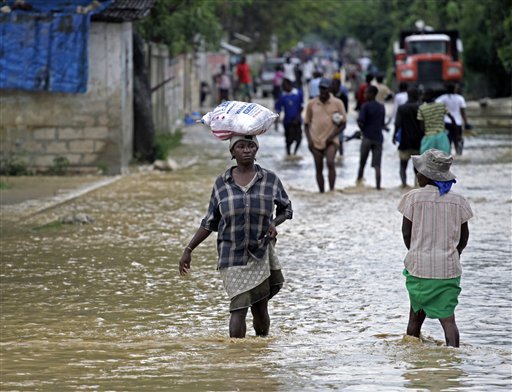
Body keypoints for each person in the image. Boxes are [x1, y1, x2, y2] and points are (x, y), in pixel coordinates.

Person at [179, 135, 293, 339]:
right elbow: (210, 221)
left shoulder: (270, 179)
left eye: (251, 146)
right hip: (231, 254)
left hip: (259, 252)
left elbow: (286, 209)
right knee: (238, 306)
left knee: (260, 307)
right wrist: (189, 250)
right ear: (232, 152)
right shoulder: (222, 183)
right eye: (241, 146)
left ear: (256, 150)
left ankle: (260, 350)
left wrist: (274, 223)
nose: (247, 150)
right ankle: (237, 358)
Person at [398, 148, 473, 347]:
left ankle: (413, 362)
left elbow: (407, 233)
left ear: (425, 176)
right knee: (448, 320)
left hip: (418, 269)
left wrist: (416, 252)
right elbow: (464, 237)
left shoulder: (413, 198)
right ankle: (452, 361)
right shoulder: (459, 202)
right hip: (448, 271)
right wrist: (454, 255)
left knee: (415, 318)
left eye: (418, 172)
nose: (416, 175)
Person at [304, 78, 347, 192]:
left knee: (330, 162)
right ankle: (322, 193)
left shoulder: (337, 103)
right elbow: (306, 124)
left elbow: (343, 124)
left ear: (330, 90)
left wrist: (332, 136)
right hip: (315, 140)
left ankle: (331, 191)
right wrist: (309, 141)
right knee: (319, 168)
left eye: (325, 89)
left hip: (331, 141)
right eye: (321, 89)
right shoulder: (312, 104)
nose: (323, 92)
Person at [356, 85, 386, 190]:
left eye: (366, 93)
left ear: (372, 94)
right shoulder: (382, 107)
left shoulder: (365, 106)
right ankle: (378, 187)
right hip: (378, 138)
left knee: (362, 163)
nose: (364, 95)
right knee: (377, 166)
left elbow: (360, 122)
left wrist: (361, 130)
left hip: (367, 137)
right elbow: (382, 124)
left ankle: (358, 184)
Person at [393, 87, 424, 188]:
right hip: (418, 142)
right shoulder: (420, 107)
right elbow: (423, 125)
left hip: (405, 142)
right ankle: (417, 186)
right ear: (417, 96)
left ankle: (403, 185)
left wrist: (393, 135)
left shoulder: (402, 108)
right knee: (418, 168)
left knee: (403, 166)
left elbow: (397, 124)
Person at [436, 84, 470, 155]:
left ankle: (448, 156)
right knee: (457, 140)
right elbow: (463, 112)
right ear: (455, 89)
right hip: (458, 123)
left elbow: (435, 105)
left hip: (447, 123)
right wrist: (466, 123)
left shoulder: (443, 98)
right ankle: (458, 154)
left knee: (448, 142)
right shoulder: (460, 98)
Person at [417, 89, 454, 154]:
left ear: (429, 96)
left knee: (426, 161)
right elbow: (452, 118)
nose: (422, 96)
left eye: (424, 95)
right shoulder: (441, 105)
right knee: (444, 159)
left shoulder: (421, 108)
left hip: (429, 138)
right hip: (442, 137)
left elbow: (422, 128)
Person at [275, 78, 304, 156]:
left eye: (284, 86)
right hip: (288, 122)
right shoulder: (282, 96)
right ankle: (288, 154)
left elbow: (302, 106)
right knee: (288, 140)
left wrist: (297, 117)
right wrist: (276, 123)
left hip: (297, 120)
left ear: (289, 85)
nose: (283, 88)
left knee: (299, 139)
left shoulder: (298, 94)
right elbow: (278, 110)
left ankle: (295, 152)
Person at [330, 75, 349, 157]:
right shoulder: (328, 97)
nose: (333, 87)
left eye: (335, 85)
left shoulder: (343, 97)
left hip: (339, 122)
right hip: (329, 122)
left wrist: (339, 117)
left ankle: (341, 157)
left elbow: (346, 110)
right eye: (332, 85)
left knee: (340, 140)